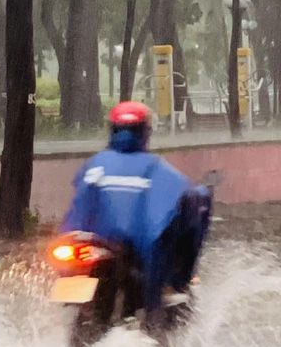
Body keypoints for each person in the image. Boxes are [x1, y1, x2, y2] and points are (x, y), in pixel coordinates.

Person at [61, 102, 211, 316]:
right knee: (166, 294)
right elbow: (187, 198)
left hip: (85, 245)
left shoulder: (95, 164)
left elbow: (79, 202)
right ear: (145, 131)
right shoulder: (154, 167)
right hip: (135, 252)